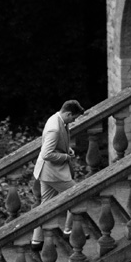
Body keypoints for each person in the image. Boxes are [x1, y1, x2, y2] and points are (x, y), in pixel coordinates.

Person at [31, 99, 84, 250]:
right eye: (74, 118)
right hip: (53, 173)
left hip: (46, 171)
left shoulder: (56, 118)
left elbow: (56, 145)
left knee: (45, 205)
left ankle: (36, 241)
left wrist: (67, 150)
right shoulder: (55, 128)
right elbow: (47, 154)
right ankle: (68, 230)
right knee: (77, 195)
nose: (74, 121)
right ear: (68, 114)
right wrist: (66, 157)